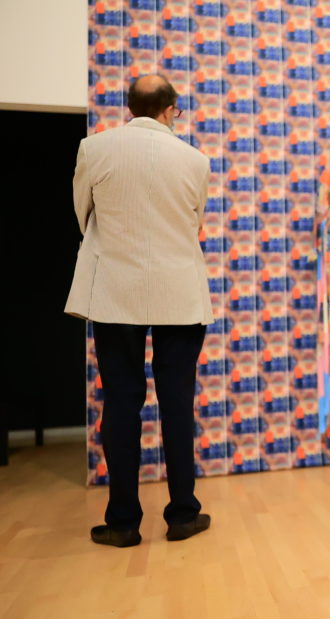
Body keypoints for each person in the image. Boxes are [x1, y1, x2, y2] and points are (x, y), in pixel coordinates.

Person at [66, 74, 214, 547]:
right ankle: (183, 515)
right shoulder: (196, 160)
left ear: (131, 108)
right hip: (180, 294)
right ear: (171, 109)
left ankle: (123, 522)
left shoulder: (95, 148)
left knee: (122, 404)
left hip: (115, 292)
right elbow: (194, 222)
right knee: (176, 405)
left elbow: (82, 214)